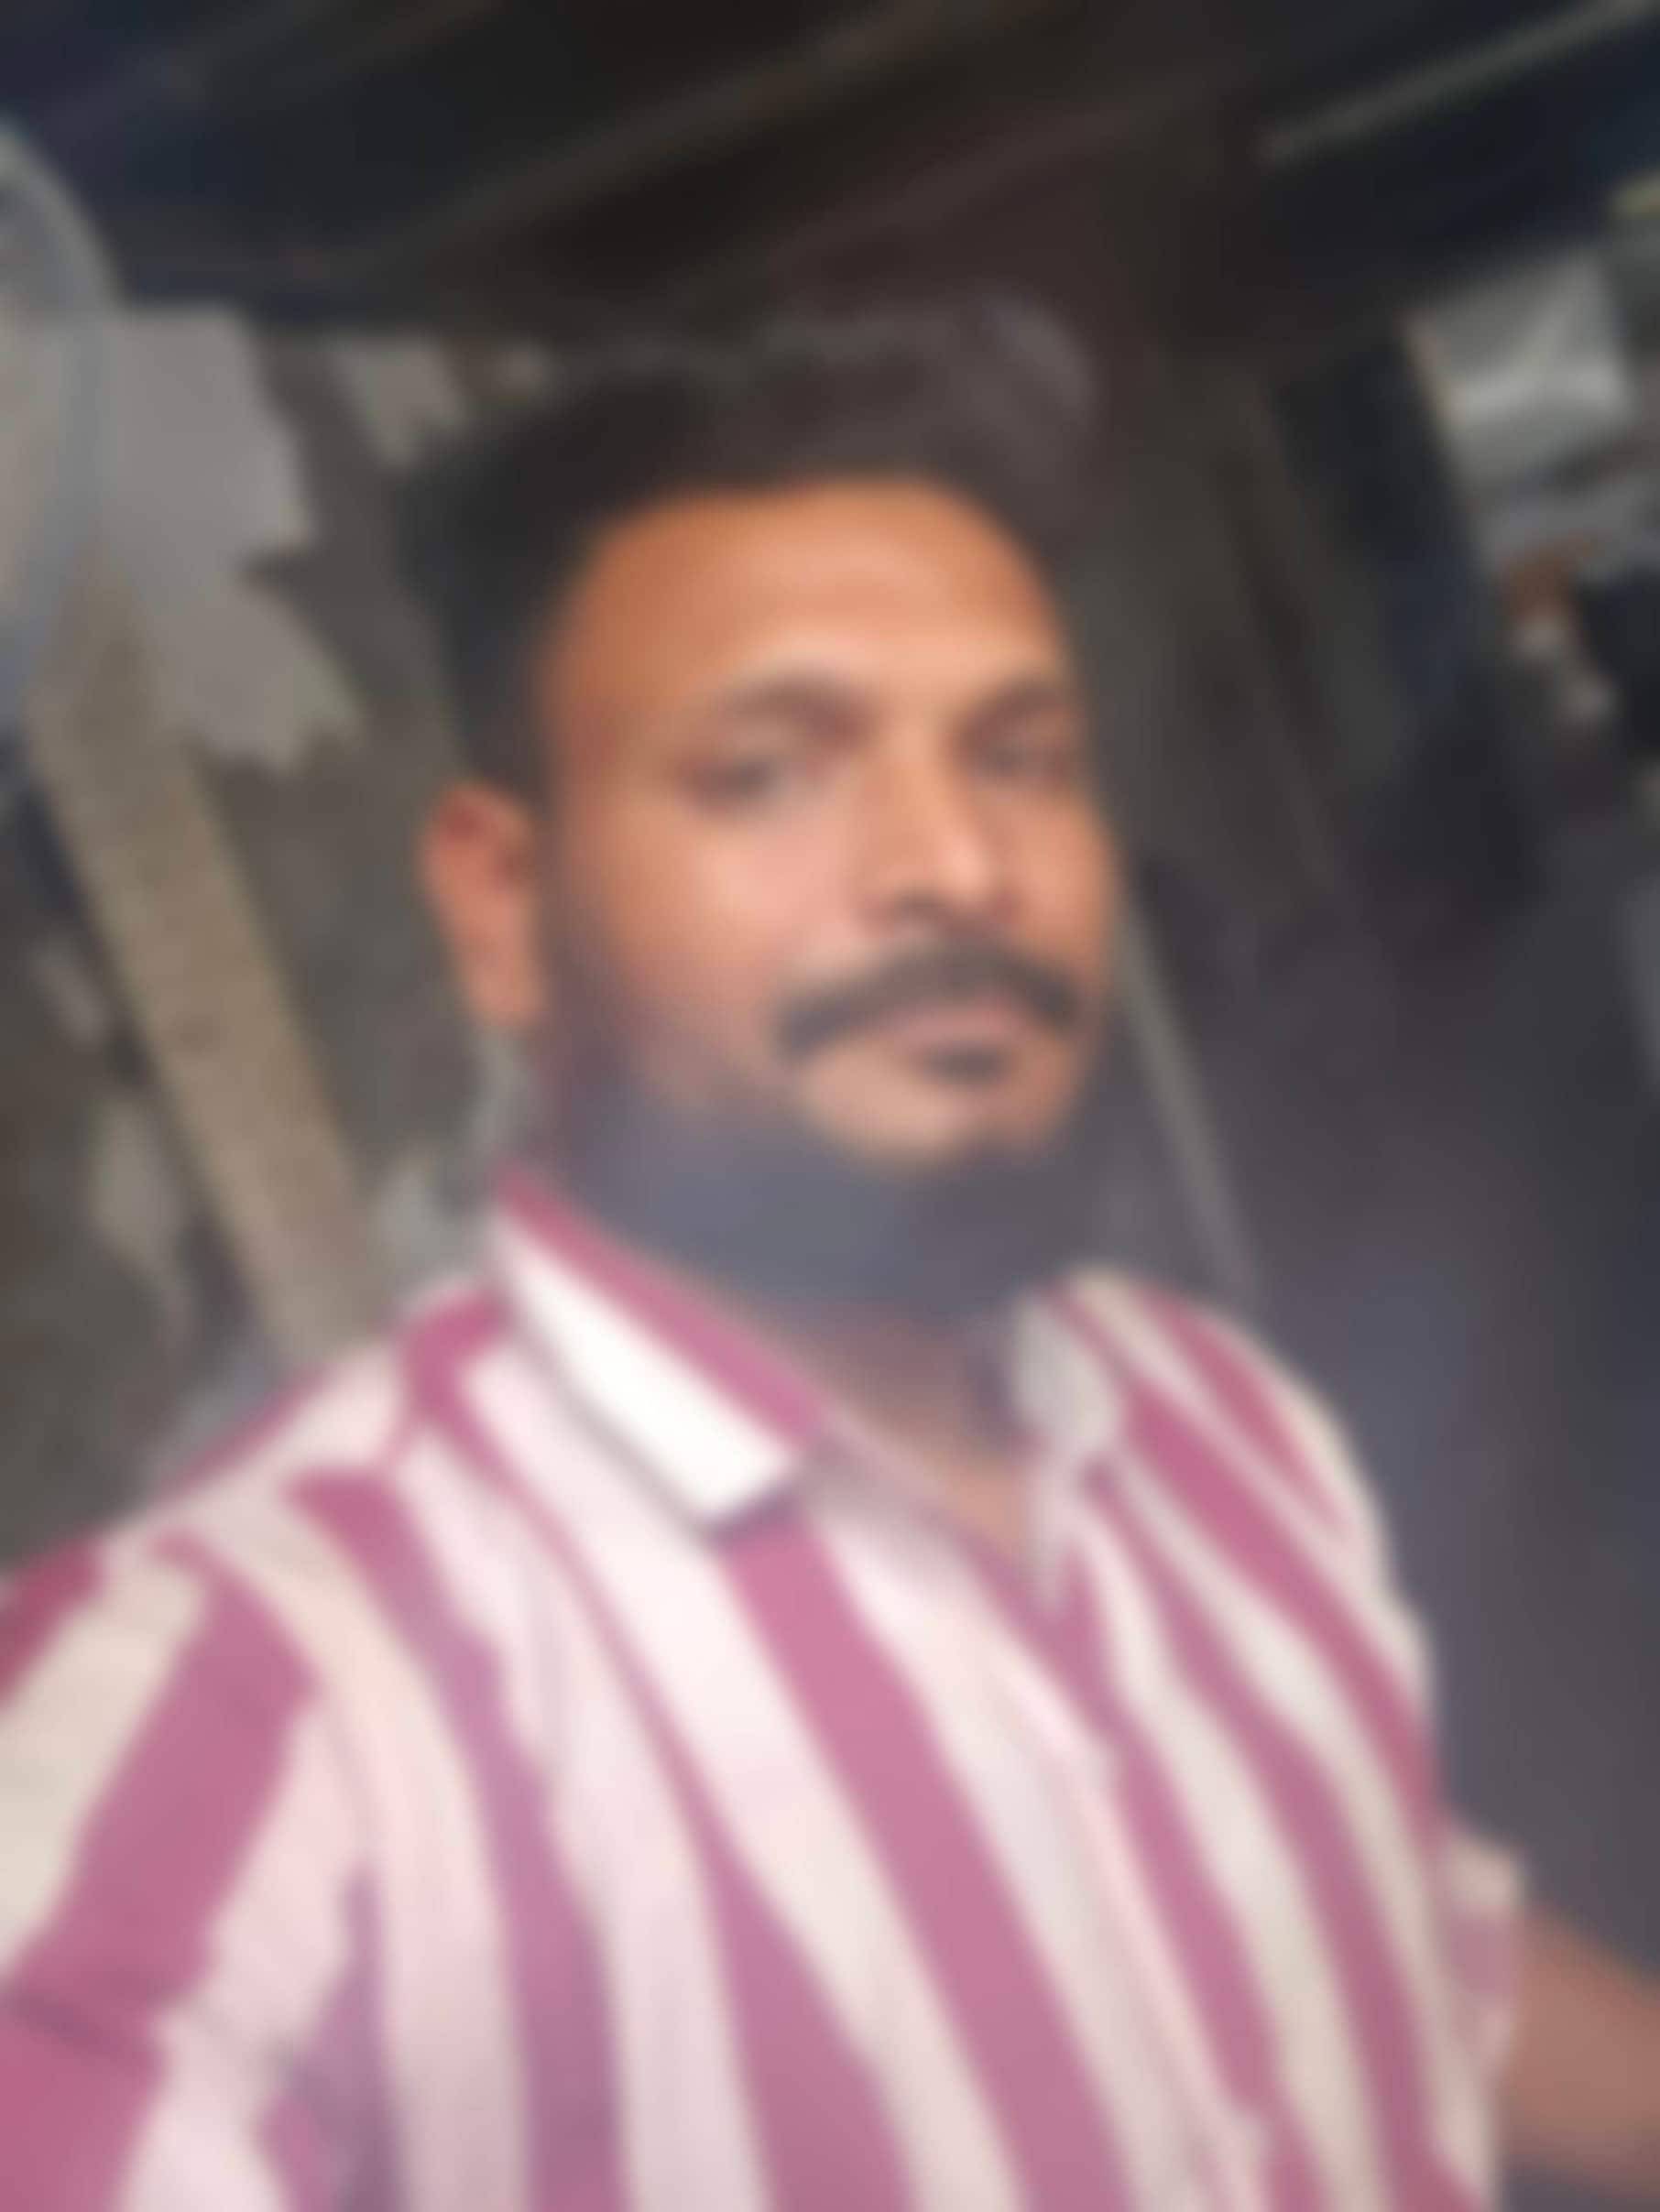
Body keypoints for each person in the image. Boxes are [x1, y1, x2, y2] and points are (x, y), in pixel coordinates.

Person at [1, 300, 1658, 2212]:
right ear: (505, 902)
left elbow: (1390, 1944)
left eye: (1024, 756)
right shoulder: (253, 1689)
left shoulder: (1214, 1414)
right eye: (767, 772)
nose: (957, 861)